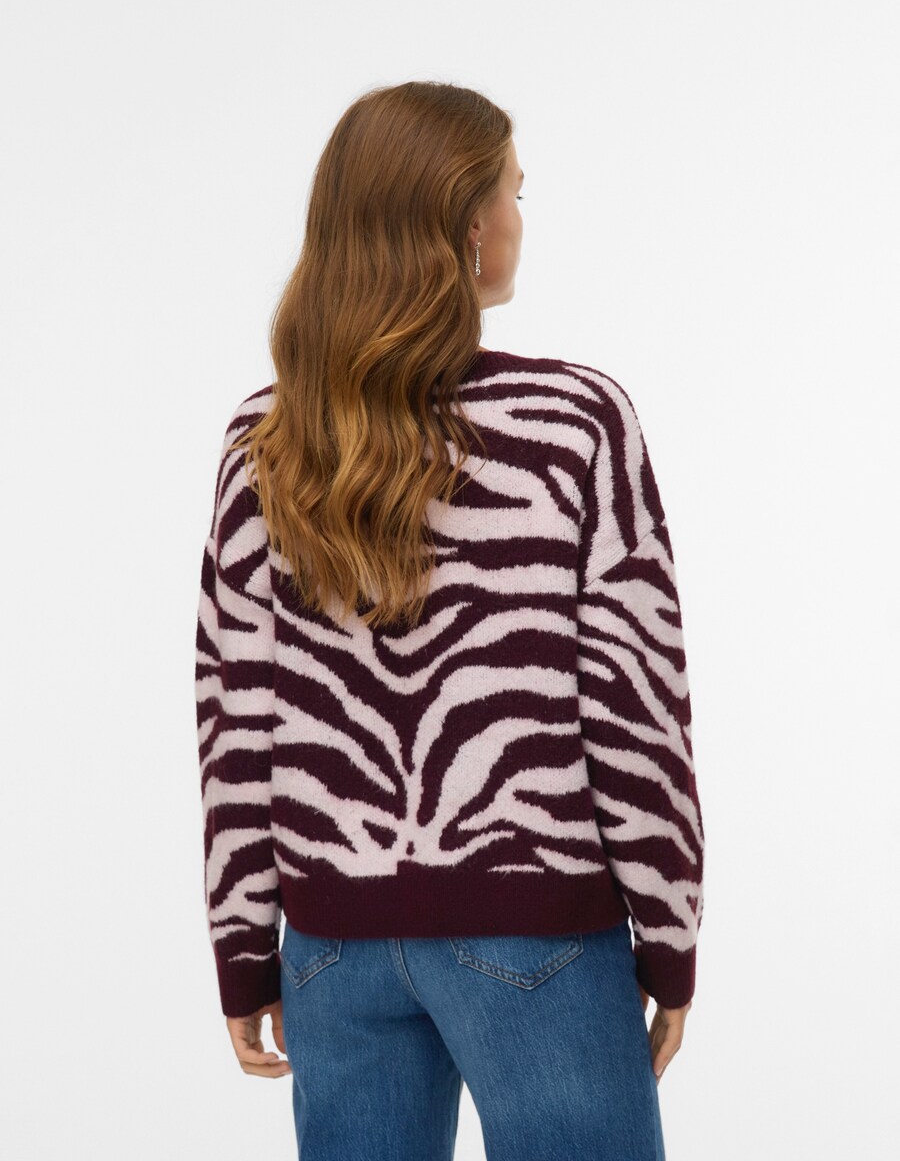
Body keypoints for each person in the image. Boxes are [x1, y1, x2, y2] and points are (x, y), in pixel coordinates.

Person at [194, 80, 704, 1161]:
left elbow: (234, 715)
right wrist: (668, 938)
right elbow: (635, 705)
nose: (521, 216)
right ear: (469, 225)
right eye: (516, 191)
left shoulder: (266, 441)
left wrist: (244, 948)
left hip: (331, 946)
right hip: (535, 932)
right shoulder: (574, 425)